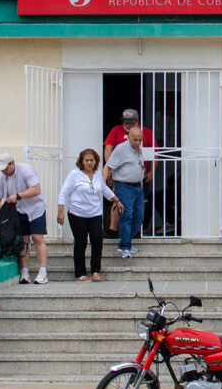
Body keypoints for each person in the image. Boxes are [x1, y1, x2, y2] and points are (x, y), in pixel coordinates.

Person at [58, 149, 124, 282]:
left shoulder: (98, 174)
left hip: (95, 213)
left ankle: (95, 270)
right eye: (86, 160)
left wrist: (116, 199)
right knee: (81, 242)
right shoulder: (74, 174)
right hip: (77, 213)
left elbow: (104, 189)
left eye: (92, 160)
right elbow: (64, 192)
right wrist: (60, 211)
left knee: (97, 240)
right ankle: (80, 273)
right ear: (81, 161)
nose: (89, 163)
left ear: (96, 161)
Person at [0, 153, 49, 285]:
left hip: (35, 209)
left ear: (12, 163)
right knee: (23, 240)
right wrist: (3, 213)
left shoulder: (26, 170)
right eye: (1, 169)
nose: (4, 171)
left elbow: (36, 189)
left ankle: (43, 271)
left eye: (5, 168)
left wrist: (18, 196)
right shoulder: (2, 178)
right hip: (18, 212)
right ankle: (25, 271)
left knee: (37, 238)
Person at [103, 108, 155, 237]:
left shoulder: (146, 132)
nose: (127, 125)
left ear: (137, 121)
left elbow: (154, 153)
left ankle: (135, 232)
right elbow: (108, 147)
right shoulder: (116, 130)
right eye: (125, 122)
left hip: (139, 177)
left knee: (139, 206)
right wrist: (110, 167)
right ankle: (112, 229)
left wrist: (152, 172)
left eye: (131, 122)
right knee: (117, 201)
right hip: (121, 177)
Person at [103, 127, 145, 258]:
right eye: (135, 140)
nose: (138, 142)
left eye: (140, 140)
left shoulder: (139, 149)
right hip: (124, 186)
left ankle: (126, 243)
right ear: (128, 137)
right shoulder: (121, 149)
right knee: (126, 215)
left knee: (139, 216)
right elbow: (108, 166)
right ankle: (125, 246)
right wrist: (102, 185)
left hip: (138, 187)